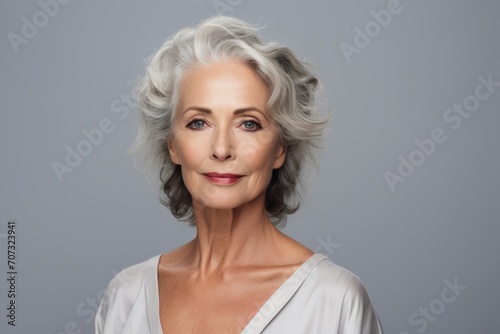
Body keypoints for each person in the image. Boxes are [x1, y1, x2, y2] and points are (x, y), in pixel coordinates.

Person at [95, 15, 384, 334]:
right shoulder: (126, 297)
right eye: (198, 123)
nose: (221, 149)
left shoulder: (334, 300)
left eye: (249, 123)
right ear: (172, 146)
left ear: (279, 148)